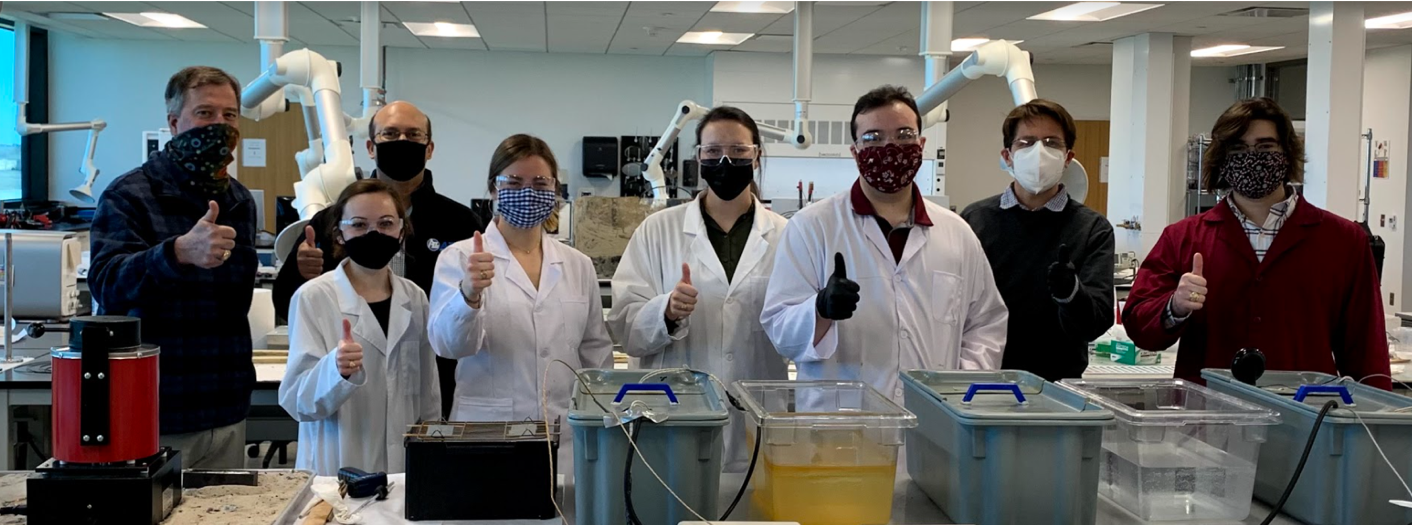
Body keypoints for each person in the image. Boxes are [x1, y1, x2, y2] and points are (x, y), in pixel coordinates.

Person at [761, 85, 1009, 402]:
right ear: (855, 152)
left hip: (933, 421)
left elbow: (986, 324)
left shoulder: (956, 233)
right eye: (873, 138)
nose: (889, 148)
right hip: (843, 423)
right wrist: (820, 310)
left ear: (921, 144)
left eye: (903, 135)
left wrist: (959, 389)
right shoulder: (812, 227)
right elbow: (780, 330)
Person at [1124, 97, 1392, 389]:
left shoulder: (1342, 241)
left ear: (1287, 153)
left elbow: (1366, 347)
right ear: (1222, 158)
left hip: (1305, 415)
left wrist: (1372, 421)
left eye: (1265, 147)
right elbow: (1140, 326)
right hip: (1208, 414)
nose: (1252, 157)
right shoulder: (1184, 237)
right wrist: (1175, 305)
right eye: (1238, 148)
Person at [274, 100, 485, 420]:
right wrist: (300, 274)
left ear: (429, 149)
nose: (402, 142)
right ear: (371, 146)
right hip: (346, 388)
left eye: (413, 135)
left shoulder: (459, 223)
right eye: (390, 134)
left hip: (435, 378)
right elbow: (285, 306)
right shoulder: (332, 221)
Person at [90, 66, 257, 468]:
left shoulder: (239, 200)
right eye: (205, 113)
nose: (219, 125)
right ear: (173, 122)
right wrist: (177, 253)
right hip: (156, 407)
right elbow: (107, 283)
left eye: (229, 115)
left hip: (225, 402)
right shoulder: (129, 194)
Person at [609, 106, 790, 472]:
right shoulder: (657, 231)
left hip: (755, 420)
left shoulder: (785, 235)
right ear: (699, 158)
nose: (725, 160)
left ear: (756, 155)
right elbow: (626, 328)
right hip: (674, 415)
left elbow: (796, 332)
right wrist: (666, 312)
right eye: (713, 151)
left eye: (739, 151)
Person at [428, 134, 613, 423]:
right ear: (493, 189)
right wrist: (469, 295)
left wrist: (600, 421)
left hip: (564, 432)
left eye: (540, 184)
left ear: (555, 189)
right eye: (514, 183)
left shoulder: (578, 265)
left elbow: (596, 355)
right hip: (488, 431)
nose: (528, 192)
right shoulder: (460, 259)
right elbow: (448, 347)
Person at [279, 179, 441, 475]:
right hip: (337, 465)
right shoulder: (313, 297)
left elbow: (428, 394)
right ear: (339, 234)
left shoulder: (415, 298)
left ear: (401, 231)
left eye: (386, 223)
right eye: (358, 224)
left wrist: (431, 456)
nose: (373, 234)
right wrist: (335, 370)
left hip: (404, 470)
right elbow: (296, 401)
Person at [962, 99, 1114, 381]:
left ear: (1068, 157)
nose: (1039, 152)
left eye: (1052, 143)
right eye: (1027, 142)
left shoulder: (1092, 228)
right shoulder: (975, 220)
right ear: (1007, 156)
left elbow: (1097, 322)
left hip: (1059, 384)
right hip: (983, 379)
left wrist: (1072, 294)